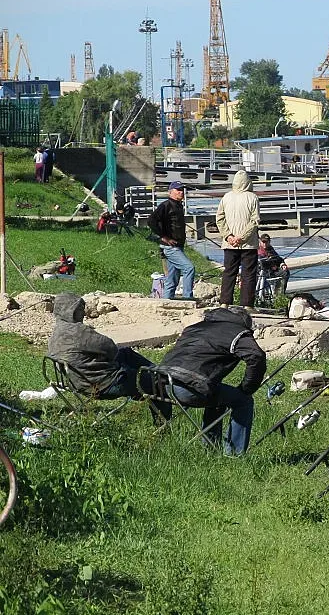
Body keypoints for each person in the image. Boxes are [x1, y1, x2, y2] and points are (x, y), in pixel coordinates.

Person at [156, 306, 266, 456]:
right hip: (189, 388)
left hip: (162, 384)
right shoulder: (238, 332)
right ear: (245, 322)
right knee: (244, 401)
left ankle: (210, 449)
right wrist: (246, 389)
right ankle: (234, 455)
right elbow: (256, 357)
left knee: (216, 393)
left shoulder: (195, 327)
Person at [47, 292, 171, 423]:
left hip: (79, 383)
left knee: (125, 353)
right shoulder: (78, 331)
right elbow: (110, 348)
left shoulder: (56, 333)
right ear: (70, 311)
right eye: (79, 310)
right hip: (103, 384)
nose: (83, 313)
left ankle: (158, 371)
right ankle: (163, 425)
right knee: (155, 383)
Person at [216, 170, 260, 307]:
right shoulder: (252, 197)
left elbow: (219, 218)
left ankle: (225, 302)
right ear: (248, 182)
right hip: (249, 244)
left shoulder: (226, 197)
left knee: (229, 273)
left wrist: (228, 236)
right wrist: (241, 238)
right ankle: (247, 305)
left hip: (229, 244)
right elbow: (254, 221)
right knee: (248, 274)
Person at [148, 181, 195, 300]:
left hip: (178, 246)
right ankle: (187, 299)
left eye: (182, 190)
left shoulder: (179, 205)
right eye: (178, 190)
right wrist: (164, 237)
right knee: (189, 268)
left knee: (171, 280)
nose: (181, 192)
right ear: (170, 192)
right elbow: (151, 221)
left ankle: (166, 302)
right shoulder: (166, 205)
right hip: (170, 247)